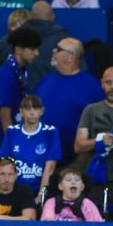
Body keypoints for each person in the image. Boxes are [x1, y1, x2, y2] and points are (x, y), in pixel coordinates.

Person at [35, 37, 104, 165]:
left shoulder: (91, 85)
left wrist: (82, 160)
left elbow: (99, 126)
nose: (54, 51)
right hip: (41, 159)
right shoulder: (45, 81)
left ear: (70, 57)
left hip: (75, 163)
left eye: (59, 49)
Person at [74, 67, 113, 221]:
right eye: (108, 82)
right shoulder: (91, 110)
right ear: (101, 84)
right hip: (96, 181)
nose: (112, 86)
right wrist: (99, 141)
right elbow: (78, 145)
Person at [0, 27, 41, 172]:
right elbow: (4, 113)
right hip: (1, 138)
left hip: (13, 135)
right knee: (1, 183)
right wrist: (12, 143)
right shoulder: (5, 75)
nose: (37, 53)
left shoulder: (22, 71)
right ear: (18, 49)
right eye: (32, 48)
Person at [0, 1, 70, 90]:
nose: (36, 53)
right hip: (51, 95)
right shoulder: (64, 39)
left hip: (19, 97)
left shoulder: (14, 37)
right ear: (53, 17)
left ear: (31, 17)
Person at [0, 95, 60, 200]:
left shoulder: (50, 132)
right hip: (15, 192)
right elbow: (5, 165)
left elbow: (49, 169)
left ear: (42, 111)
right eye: (27, 109)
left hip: (40, 190)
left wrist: (40, 197)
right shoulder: (11, 132)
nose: (32, 112)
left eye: (35, 108)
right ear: (21, 112)